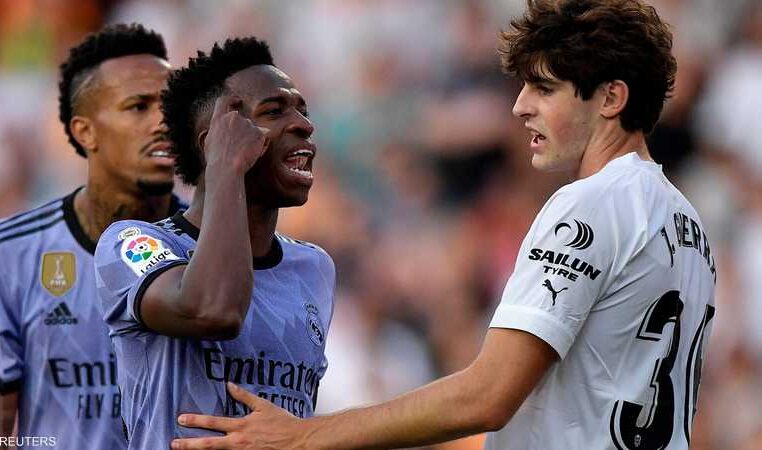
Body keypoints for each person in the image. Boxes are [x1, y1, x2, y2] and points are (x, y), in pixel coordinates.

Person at [170, 1, 718, 449]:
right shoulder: (685, 222)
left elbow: (488, 396)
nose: (519, 107)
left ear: (612, 98)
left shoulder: (590, 205)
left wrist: (304, 436)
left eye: (545, 88)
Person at [93, 37, 335, 450]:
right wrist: (227, 166)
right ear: (215, 143)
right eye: (274, 111)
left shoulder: (314, 267)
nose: (304, 125)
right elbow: (213, 310)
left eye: (303, 110)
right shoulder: (133, 243)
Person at [0, 23, 185, 449]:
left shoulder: (214, 251)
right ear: (85, 131)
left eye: (170, 104)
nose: (163, 121)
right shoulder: (13, 254)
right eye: (139, 106)